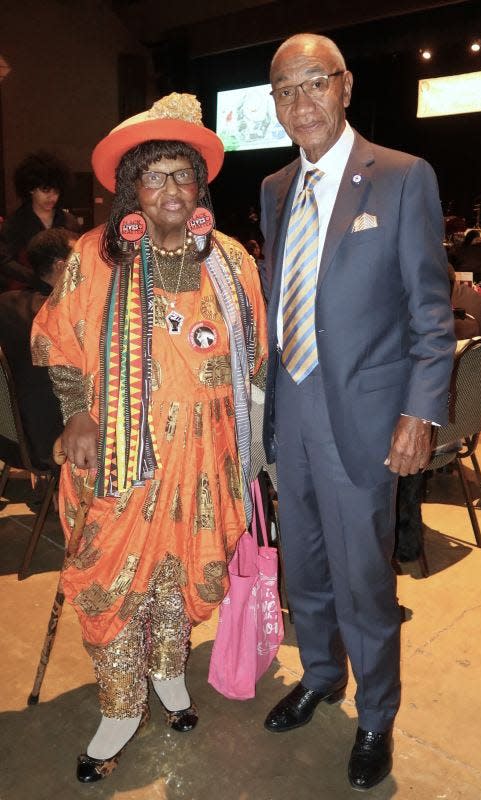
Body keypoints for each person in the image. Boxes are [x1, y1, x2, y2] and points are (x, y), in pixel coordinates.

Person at [31, 93, 267, 783]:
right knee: (113, 580)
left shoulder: (231, 261)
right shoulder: (93, 258)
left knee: (179, 574)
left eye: (183, 174)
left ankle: (167, 674)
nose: (171, 188)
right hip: (119, 460)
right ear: (132, 188)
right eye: (156, 174)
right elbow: (61, 341)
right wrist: (77, 413)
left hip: (206, 457)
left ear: (201, 186)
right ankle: (119, 708)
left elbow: (251, 357)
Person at [260, 34, 455, 791]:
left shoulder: (403, 177)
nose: (301, 101)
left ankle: (375, 713)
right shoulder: (277, 188)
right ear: (274, 105)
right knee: (302, 566)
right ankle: (319, 675)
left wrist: (420, 413)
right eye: (285, 90)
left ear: (344, 86)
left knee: (362, 578)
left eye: (314, 83)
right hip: (292, 411)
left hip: (366, 419)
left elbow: (431, 314)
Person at [0, 228, 75, 468]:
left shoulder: (7, 303)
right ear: (63, 266)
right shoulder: (63, 317)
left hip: (9, 439)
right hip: (51, 444)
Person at [0, 151, 79, 281]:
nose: (52, 197)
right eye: (45, 190)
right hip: (28, 291)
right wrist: (37, 279)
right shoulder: (15, 223)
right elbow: (5, 261)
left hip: (64, 289)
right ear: (31, 189)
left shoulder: (69, 221)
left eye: (56, 192)